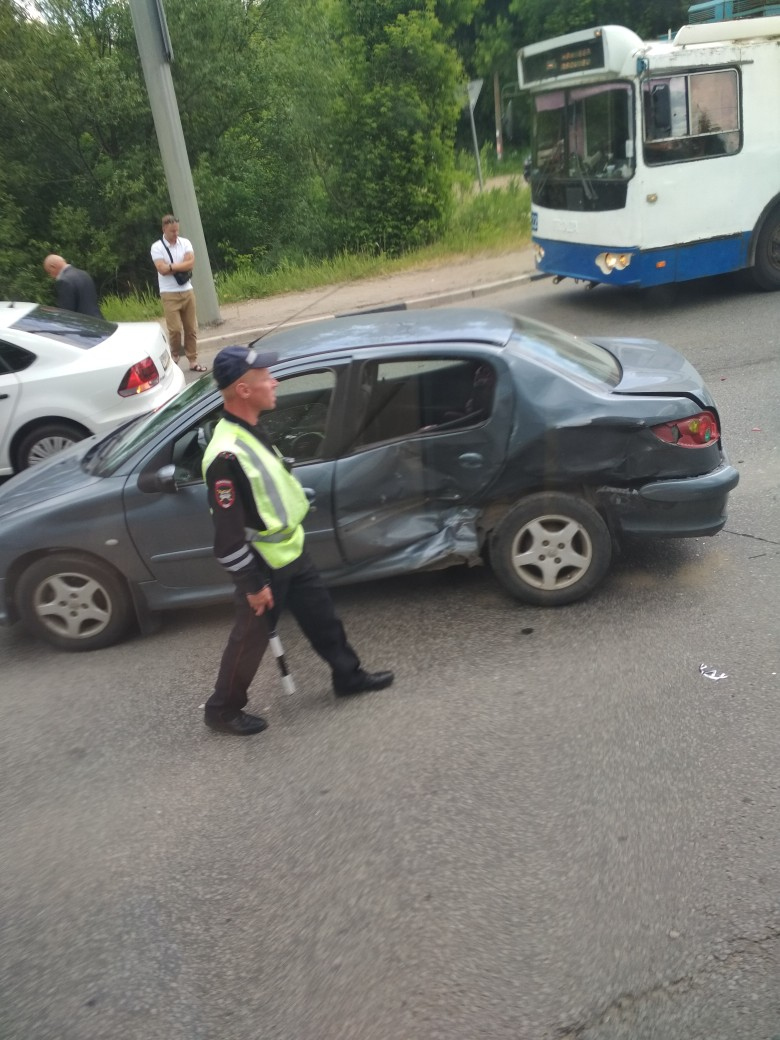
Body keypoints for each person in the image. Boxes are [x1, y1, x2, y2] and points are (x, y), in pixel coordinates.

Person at [201, 344, 394, 735]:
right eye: (265, 378)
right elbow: (227, 539)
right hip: (263, 566)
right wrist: (253, 585)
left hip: (291, 551)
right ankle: (222, 710)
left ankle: (348, 676)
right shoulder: (225, 455)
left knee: (324, 619)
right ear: (242, 390)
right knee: (249, 642)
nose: (274, 382)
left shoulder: (251, 426)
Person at [150, 214, 207, 373]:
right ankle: (175, 356)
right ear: (164, 230)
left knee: (191, 328)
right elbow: (161, 269)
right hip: (169, 293)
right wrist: (180, 265)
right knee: (174, 329)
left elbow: (191, 263)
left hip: (187, 290)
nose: (175, 234)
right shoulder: (157, 247)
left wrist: (171, 267)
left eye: (177, 231)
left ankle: (192, 360)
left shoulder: (185, 243)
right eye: (172, 231)